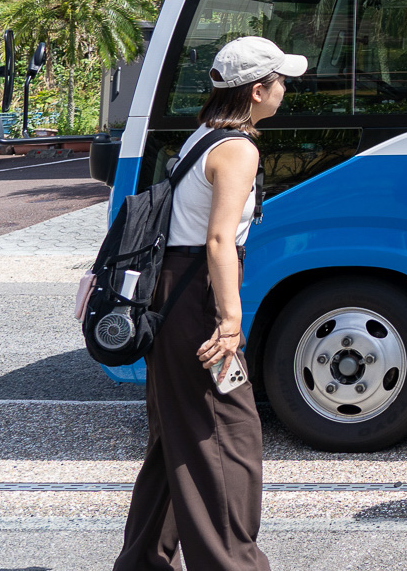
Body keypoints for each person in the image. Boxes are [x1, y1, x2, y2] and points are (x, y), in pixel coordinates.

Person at [115, 36, 305, 571]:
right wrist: (230, 320)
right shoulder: (238, 149)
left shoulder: (203, 136)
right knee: (226, 436)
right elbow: (219, 241)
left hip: (169, 294)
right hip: (198, 300)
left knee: (176, 436)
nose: (285, 90)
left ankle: (142, 563)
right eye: (280, 81)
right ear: (257, 89)